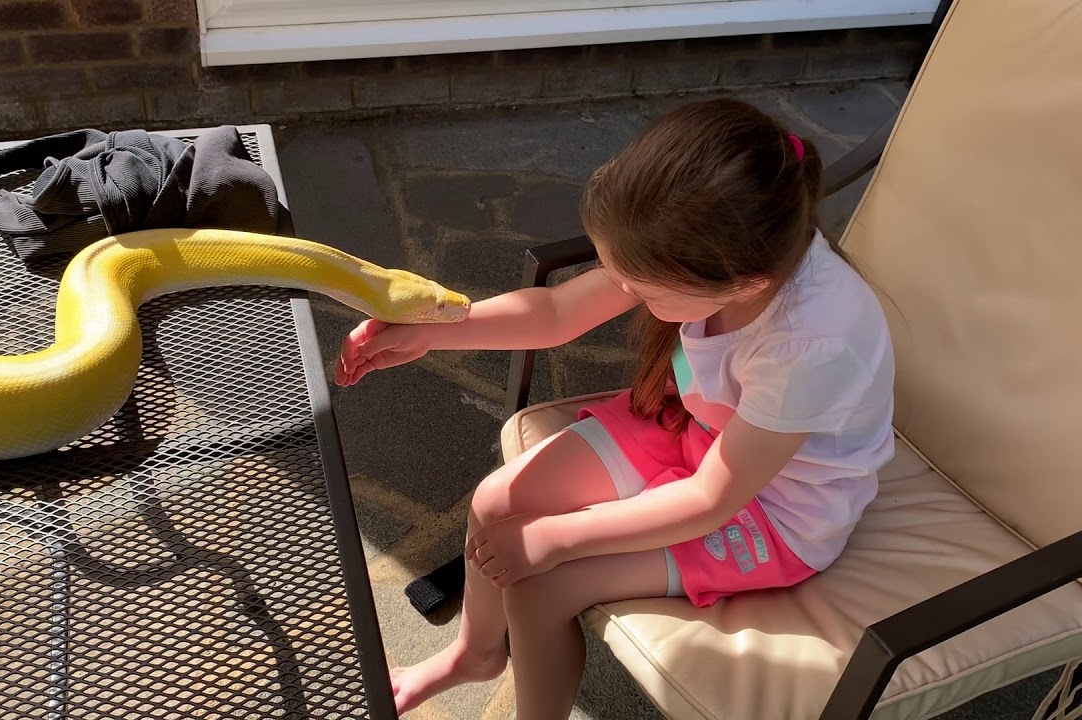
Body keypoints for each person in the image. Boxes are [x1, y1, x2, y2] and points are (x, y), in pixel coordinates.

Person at [335, 97, 896, 719]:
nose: (622, 293)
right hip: (702, 431)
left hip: (776, 511)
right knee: (495, 503)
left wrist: (554, 538)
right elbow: (555, 313)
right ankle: (474, 656)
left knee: (543, 584)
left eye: (640, 291)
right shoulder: (712, 249)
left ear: (742, 286)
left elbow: (712, 499)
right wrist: (432, 330)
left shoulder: (813, 344)